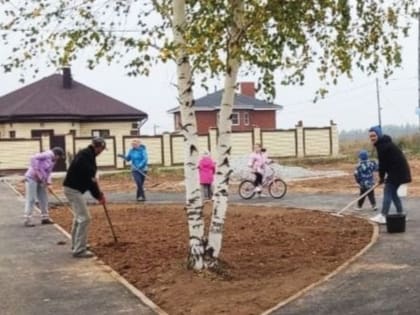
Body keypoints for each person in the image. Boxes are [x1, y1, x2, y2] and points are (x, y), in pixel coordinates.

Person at [63, 137, 107, 258]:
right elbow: (90, 180)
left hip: (73, 188)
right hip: (73, 190)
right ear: (98, 148)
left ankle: (76, 244)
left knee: (79, 218)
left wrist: (98, 194)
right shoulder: (86, 156)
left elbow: (90, 179)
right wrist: (98, 195)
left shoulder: (87, 155)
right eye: (102, 149)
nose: (102, 152)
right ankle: (79, 250)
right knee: (85, 218)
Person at [368, 125, 411, 224]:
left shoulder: (382, 146)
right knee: (393, 193)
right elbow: (386, 163)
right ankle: (401, 214)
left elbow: (382, 165)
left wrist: (381, 178)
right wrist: (382, 178)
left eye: (374, 135)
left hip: (398, 172)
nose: (372, 138)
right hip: (399, 172)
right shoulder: (384, 143)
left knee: (388, 191)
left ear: (378, 135)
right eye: (370, 136)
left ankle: (383, 215)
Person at [23, 147, 65, 227]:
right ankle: (27, 219)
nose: (59, 158)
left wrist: (48, 183)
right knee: (31, 199)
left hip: (41, 180)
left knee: (44, 198)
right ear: (56, 154)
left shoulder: (53, 161)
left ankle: (45, 218)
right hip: (32, 177)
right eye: (59, 156)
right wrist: (35, 170)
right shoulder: (47, 154)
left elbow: (48, 173)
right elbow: (33, 158)